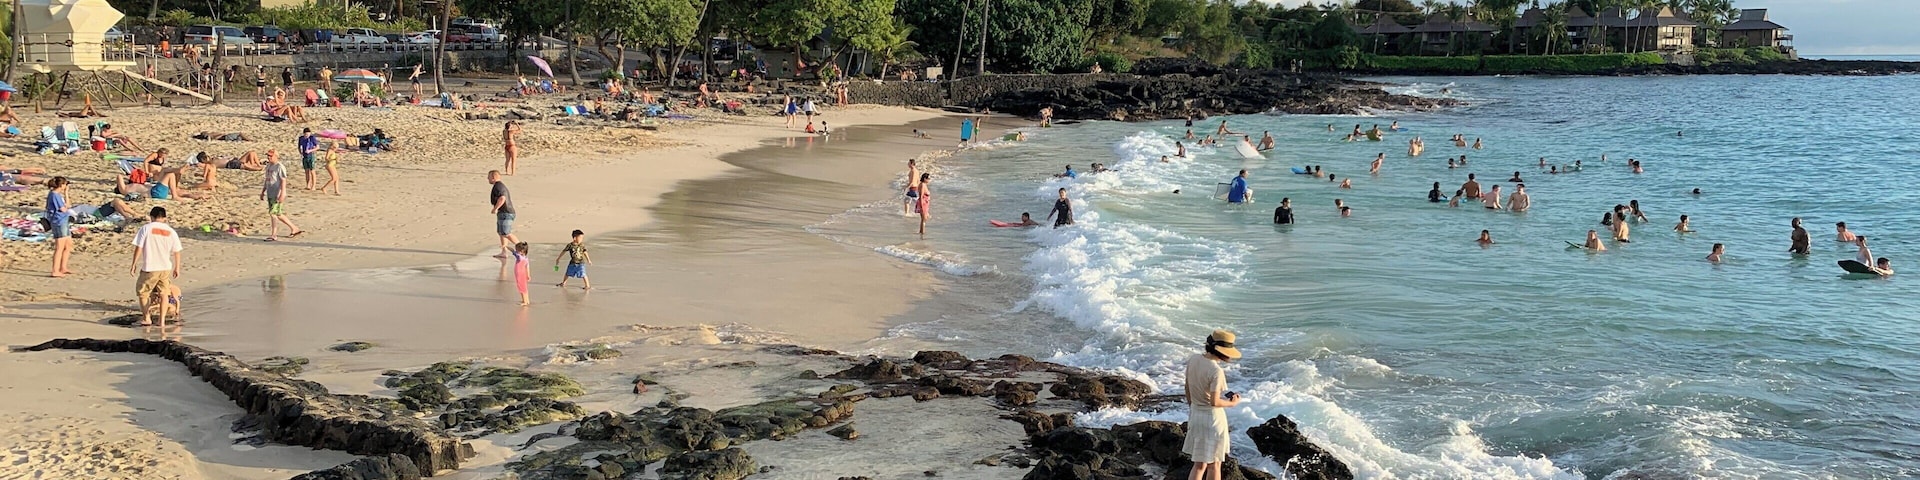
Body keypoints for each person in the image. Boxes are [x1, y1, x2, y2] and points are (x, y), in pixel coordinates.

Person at [1183, 329, 1243, 480]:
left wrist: (1193, 407)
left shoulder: (1194, 359)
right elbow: (1214, 401)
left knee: (1199, 465)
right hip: (1212, 419)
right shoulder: (1216, 370)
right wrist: (1232, 403)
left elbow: (1187, 387)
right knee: (1214, 465)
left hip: (1196, 415)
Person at [131, 206, 183, 327]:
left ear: (151, 217)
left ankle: (146, 318)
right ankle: (162, 321)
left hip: (150, 267)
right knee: (164, 293)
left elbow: (139, 247)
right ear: (165, 218)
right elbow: (177, 251)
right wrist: (177, 267)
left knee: (143, 293)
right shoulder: (171, 231)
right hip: (165, 267)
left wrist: (134, 264)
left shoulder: (146, 228)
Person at [260, 150, 303, 241]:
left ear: (276, 156)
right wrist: (263, 191)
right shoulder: (268, 166)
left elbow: (283, 180)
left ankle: (274, 234)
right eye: (268, 156)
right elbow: (267, 179)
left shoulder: (280, 167)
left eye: (271, 156)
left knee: (273, 213)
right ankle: (294, 228)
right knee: (278, 214)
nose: (269, 157)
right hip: (270, 192)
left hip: (277, 193)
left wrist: (283, 192)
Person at [488, 170, 521, 257]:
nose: (488, 179)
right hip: (503, 213)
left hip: (506, 213)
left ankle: (522, 249)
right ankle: (504, 252)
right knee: (501, 233)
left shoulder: (498, 186)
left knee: (506, 233)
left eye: (489, 177)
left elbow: (502, 198)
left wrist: (495, 208)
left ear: (493, 177)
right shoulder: (498, 186)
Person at [46, 177, 74, 277]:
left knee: (68, 245)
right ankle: (55, 270)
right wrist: (66, 206)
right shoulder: (54, 195)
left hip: (63, 221)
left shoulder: (57, 194)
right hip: (58, 222)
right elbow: (63, 209)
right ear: (61, 185)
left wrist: (66, 193)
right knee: (60, 247)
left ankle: (63, 267)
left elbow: (68, 206)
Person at [512, 242, 532, 306]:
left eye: (517, 250)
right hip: (523, 273)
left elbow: (512, 251)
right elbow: (527, 267)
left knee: (521, 287)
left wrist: (505, 246)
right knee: (524, 287)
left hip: (519, 274)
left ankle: (524, 301)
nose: (516, 251)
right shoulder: (526, 258)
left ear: (522, 251)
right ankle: (527, 300)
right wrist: (528, 275)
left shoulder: (519, 257)